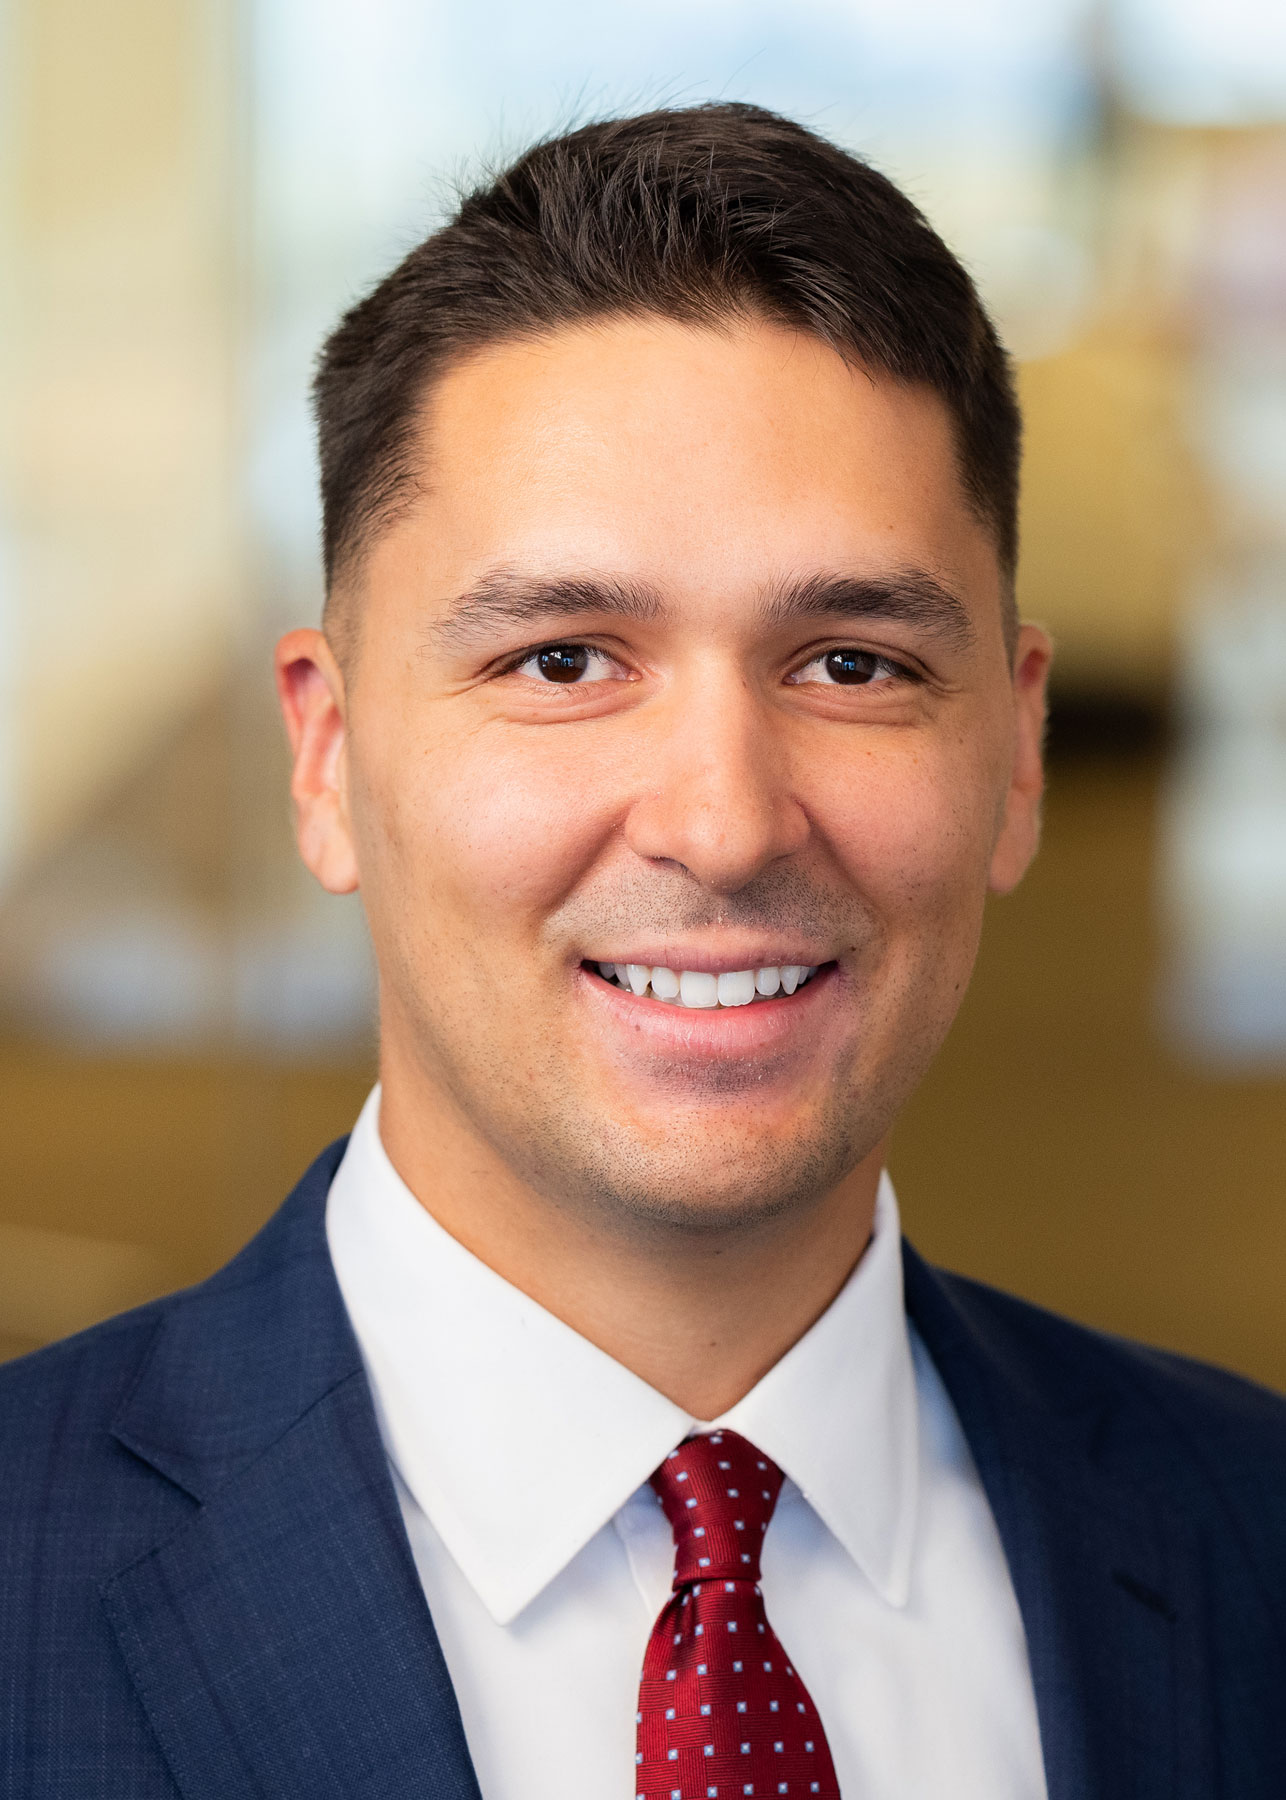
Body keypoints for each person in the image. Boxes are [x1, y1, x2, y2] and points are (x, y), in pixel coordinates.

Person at [1, 102, 1283, 1800]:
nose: (725, 821)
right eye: (561, 660)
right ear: (325, 757)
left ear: (1016, 752)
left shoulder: (1248, 1533)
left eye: (850, 664)